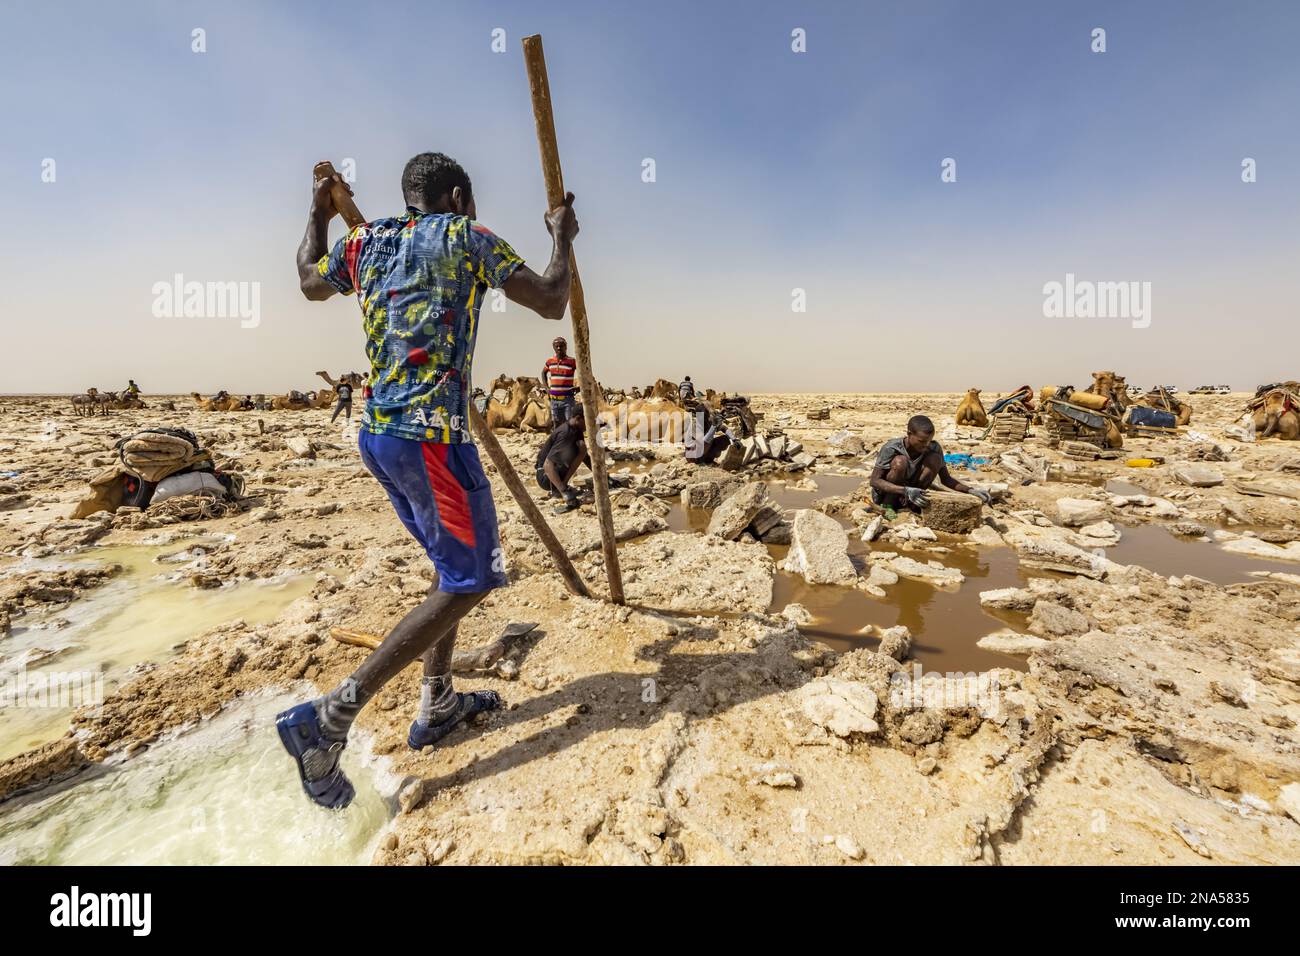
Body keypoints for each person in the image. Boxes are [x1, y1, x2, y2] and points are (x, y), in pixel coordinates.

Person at [285, 151, 578, 809]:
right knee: (474, 577)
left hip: (379, 436)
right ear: (455, 197)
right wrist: (561, 233)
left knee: (449, 570)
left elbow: (307, 279)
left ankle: (438, 700)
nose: (473, 212)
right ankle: (328, 719)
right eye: (469, 203)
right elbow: (553, 300)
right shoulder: (465, 237)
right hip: (434, 443)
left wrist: (318, 210)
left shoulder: (367, 241)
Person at [869, 415, 990, 513]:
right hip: (888, 494)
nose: (926, 445)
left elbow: (946, 479)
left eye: (929, 440)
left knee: (935, 459)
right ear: (909, 434)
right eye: (921, 441)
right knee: (900, 462)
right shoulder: (892, 448)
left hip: (914, 493)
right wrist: (905, 490)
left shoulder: (933, 447)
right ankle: (888, 506)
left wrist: (970, 490)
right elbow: (874, 480)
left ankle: (914, 504)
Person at [534, 407, 590, 510]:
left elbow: (585, 456)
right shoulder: (565, 433)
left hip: (554, 473)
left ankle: (560, 487)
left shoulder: (576, 430)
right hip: (545, 477)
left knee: (581, 449)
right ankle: (559, 489)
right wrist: (565, 492)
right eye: (587, 421)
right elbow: (547, 465)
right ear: (578, 418)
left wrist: (603, 475)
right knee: (579, 450)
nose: (589, 425)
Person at [542, 336, 577, 428]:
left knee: (570, 424)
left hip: (567, 399)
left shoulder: (572, 361)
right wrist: (546, 388)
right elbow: (543, 373)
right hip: (554, 400)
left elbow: (584, 373)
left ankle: (570, 442)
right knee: (556, 425)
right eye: (556, 346)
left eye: (561, 346)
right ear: (553, 347)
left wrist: (580, 387)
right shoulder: (550, 361)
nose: (559, 348)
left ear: (565, 347)